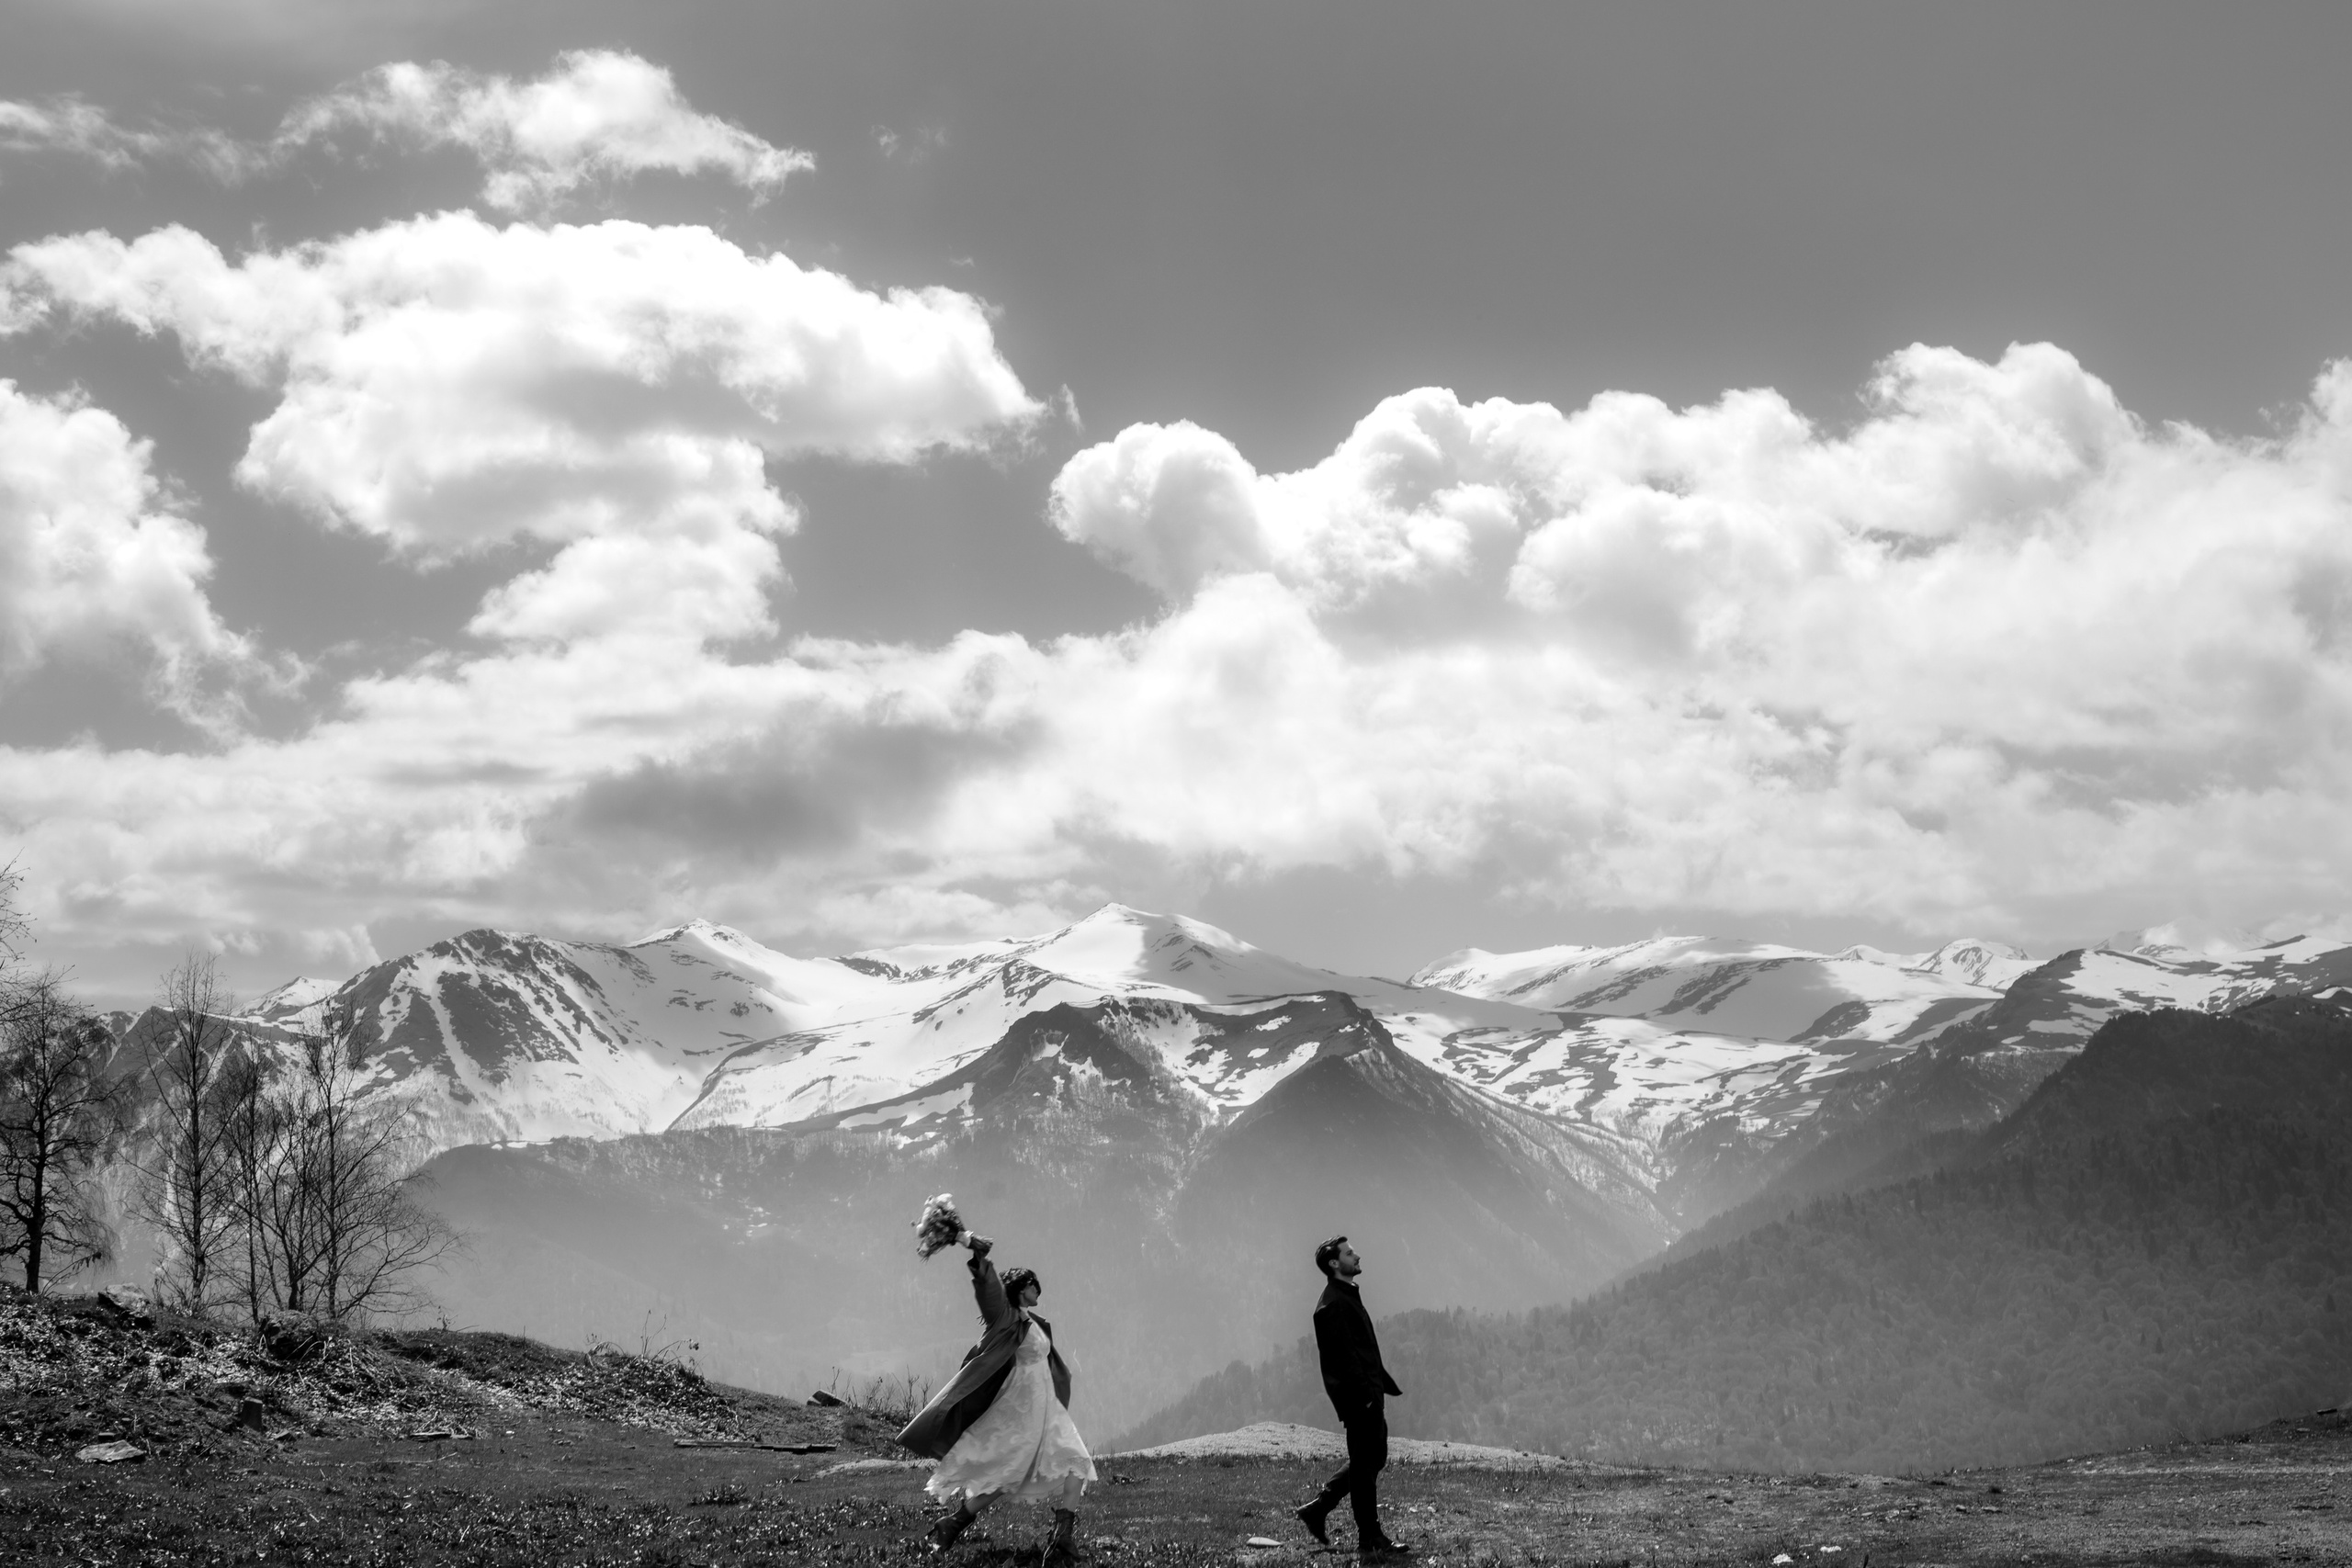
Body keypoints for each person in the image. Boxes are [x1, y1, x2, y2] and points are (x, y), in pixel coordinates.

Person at [898, 1228, 1096, 1562]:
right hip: (1019, 1409)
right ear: (1020, 1288)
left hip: (1047, 1410)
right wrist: (975, 1252)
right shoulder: (1005, 1318)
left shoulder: (1036, 1323)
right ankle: (953, 1522)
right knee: (1009, 1473)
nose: (1039, 1289)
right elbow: (989, 1291)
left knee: (1077, 1462)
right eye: (1033, 1284)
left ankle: (1062, 1535)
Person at [1295, 1235, 1408, 1559]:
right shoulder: (1333, 1305)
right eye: (1349, 1253)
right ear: (1334, 1263)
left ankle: (1321, 1508)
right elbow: (1343, 1360)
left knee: (1370, 1459)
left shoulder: (1345, 1295)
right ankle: (1369, 1538)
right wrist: (1368, 1397)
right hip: (1361, 1398)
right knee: (1365, 1464)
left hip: (1369, 1393)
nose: (1356, 1256)